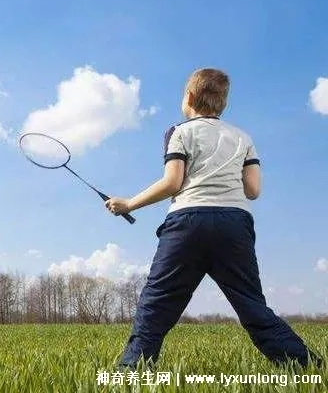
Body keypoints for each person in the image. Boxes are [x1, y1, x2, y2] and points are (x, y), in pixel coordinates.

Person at [105, 68, 321, 368]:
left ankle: (130, 373)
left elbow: (172, 183)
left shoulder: (179, 132)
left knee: (156, 306)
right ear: (223, 103)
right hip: (234, 224)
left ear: (189, 97)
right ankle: (309, 367)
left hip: (187, 223)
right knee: (252, 307)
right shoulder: (243, 138)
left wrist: (128, 204)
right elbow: (253, 190)